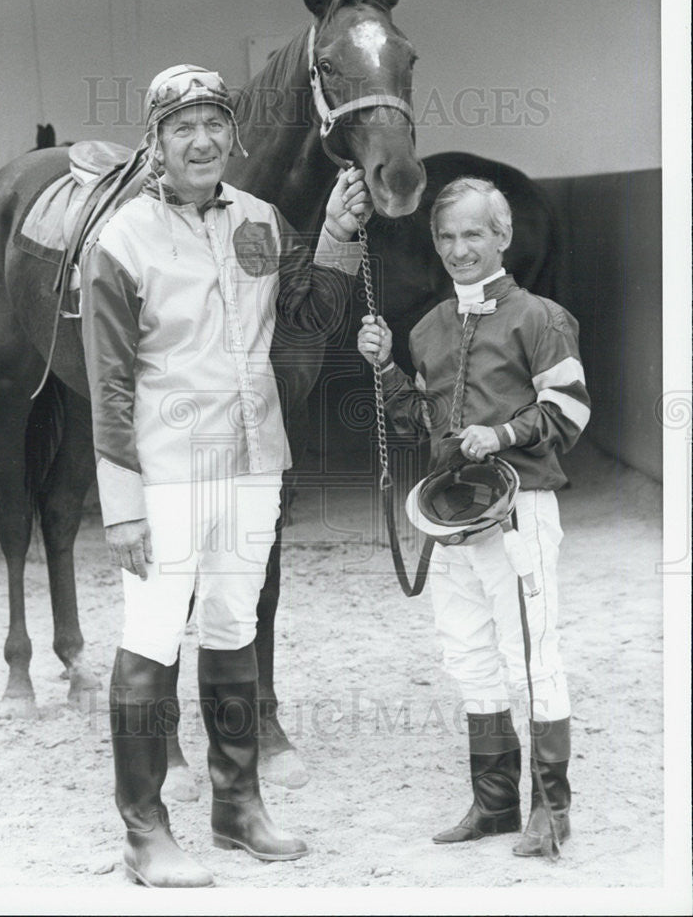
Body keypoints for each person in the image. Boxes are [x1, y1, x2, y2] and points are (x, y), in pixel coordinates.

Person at [81, 64, 371, 888]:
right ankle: (144, 832)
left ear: (232, 134)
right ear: (156, 141)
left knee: (233, 627)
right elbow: (108, 384)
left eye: (213, 122)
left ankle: (236, 807)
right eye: (182, 127)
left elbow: (309, 317)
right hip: (166, 475)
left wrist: (339, 237)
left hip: (253, 466)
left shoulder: (260, 219)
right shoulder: (122, 240)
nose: (201, 139)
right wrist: (122, 506)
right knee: (147, 637)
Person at [357, 176, 590, 857]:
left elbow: (569, 413)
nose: (459, 249)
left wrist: (504, 433)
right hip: (450, 516)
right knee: (468, 658)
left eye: (472, 234)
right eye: (446, 237)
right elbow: (417, 426)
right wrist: (387, 370)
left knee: (531, 659)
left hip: (520, 511)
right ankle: (492, 805)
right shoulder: (428, 328)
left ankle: (551, 810)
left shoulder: (539, 318)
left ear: (502, 236)